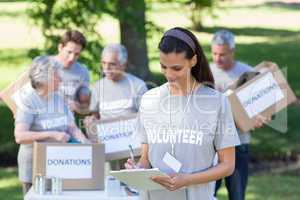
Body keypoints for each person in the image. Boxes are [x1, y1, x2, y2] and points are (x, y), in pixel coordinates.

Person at [125, 27, 241, 200]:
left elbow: (228, 165)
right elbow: (145, 158)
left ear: (193, 60)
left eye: (176, 68)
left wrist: (187, 180)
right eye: (163, 67)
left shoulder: (216, 102)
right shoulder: (149, 99)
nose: (169, 74)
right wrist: (138, 169)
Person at [14, 56, 89, 195]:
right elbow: (20, 136)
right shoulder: (28, 101)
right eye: (56, 76)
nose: (61, 79)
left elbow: (71, 127)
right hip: (34, 169)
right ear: (45, 79)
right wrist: (52, 134)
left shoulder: (59, 98)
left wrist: (86, 144)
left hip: (59, 166)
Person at [211, 29, 270, 200]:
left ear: (232, 52)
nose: (217, 58)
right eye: (214, 53)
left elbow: (263, 108)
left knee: (237, 196)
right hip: (212, 146)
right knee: (207, 195)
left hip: (239, 144)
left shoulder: (248, 73)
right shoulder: (205, 72)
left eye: (222, 54)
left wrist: (260, 118)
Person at [86, 43, 148, 121]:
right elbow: (95, 117)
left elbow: (147, 117)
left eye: (112, 64)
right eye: (104, 63)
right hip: (106, 132)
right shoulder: (97, 87)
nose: (106, 68)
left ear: (123, 65)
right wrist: (91, 120)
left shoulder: (138, 86)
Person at [52, 30, 90, 112]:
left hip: (67, 121)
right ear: (60, 48)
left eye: (77, 54)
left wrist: (78, 107)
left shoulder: (82, 72)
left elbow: (86, 106)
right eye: (69, 52)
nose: (72, 58)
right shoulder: (43, 66)